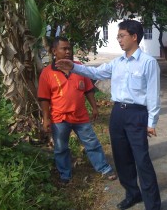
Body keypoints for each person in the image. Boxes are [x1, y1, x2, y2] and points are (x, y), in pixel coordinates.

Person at [55, 20, 161, 210]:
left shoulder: (148, 62)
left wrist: (151, 121)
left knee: (141, 160)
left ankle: (153, 205)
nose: (118, 40)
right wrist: (73, 67)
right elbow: (95, 72)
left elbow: (153, 94)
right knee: (121, 158)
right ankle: (132, 193)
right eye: (118, 36)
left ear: (134, 37)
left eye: (122, 36)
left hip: (137, 114)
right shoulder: (117, 63)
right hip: (118, 114)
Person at [37, 37, 116, 184]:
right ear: (54, 51)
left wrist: (94, 107)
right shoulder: (47, 73)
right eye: (64, 49)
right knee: (61, 148)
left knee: (92, 143)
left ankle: (104, 168)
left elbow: (88, 90)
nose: (68, 51)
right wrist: (46, 118)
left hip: (80, 116)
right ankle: (65, 176)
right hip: (59, 118)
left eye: (69, 48)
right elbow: (44, 98)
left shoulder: (78, 68)